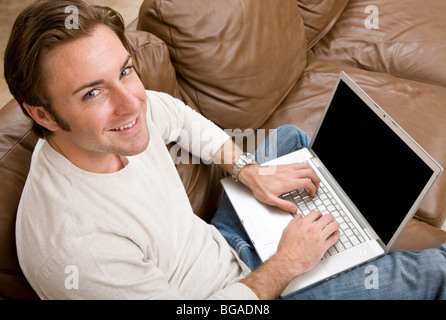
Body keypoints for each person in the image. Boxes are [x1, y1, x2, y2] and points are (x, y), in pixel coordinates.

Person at [4, 0, 445, 300]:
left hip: (225, 245)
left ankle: (346, 235)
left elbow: (176, 115)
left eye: (125, 70)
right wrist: (286, 263)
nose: (131, 102)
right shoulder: (76, 248)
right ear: (41, 114)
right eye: (91, 94)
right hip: (237, 295)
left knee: (287, 139)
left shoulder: (125, 115)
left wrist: (250, 173)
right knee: (426, 271)